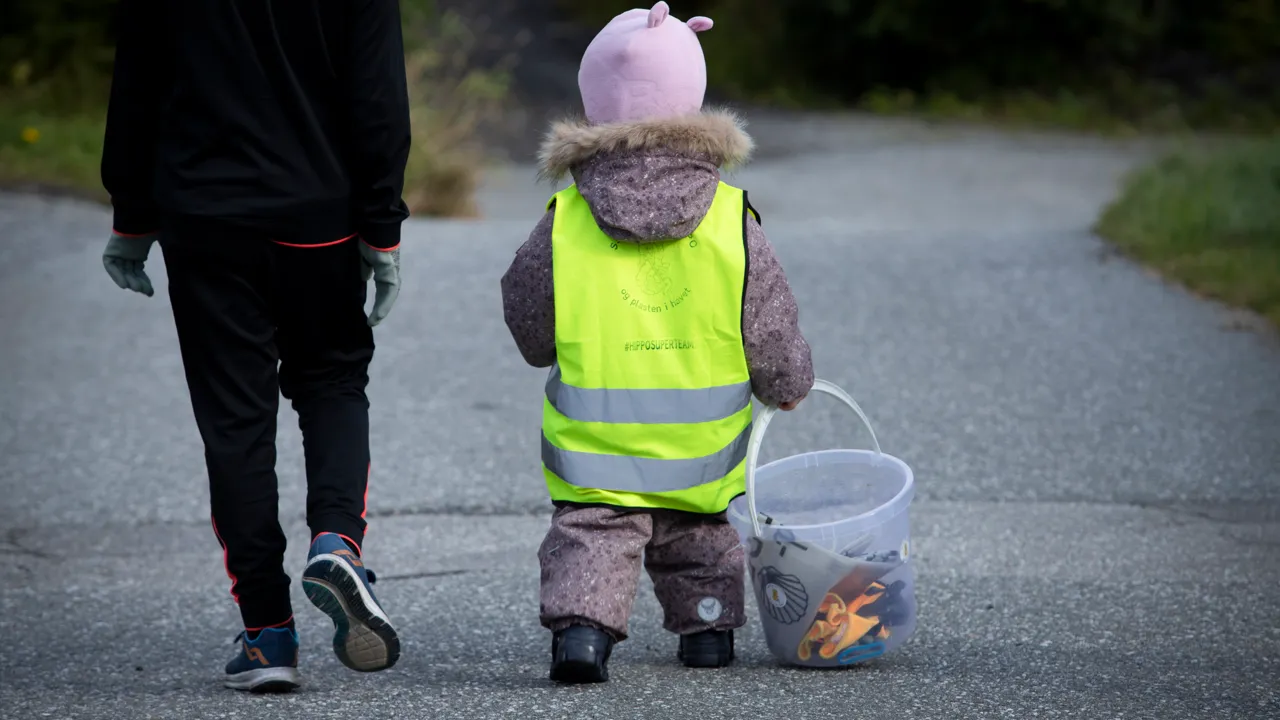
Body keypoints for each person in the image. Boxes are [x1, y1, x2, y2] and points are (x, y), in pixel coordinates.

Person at [99, 0, 411, 693]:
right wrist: (381, 227)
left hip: (205, 218)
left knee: (235, 422)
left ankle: (268, 634)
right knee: (331, 382)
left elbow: (138, 83)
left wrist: (132, 212)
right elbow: (378, 97)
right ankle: (337, 543)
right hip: (318, 215)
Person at [500, 2, 814, 684]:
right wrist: (787, 383)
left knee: (592, 536)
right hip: (699, 451)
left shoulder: (566, 221)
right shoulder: (733, 219)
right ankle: (707, 631)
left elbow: (527, 312)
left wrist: (542, 345)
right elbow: (766, 318)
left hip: (596, 448)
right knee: (700, 536)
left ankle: (582, 638)